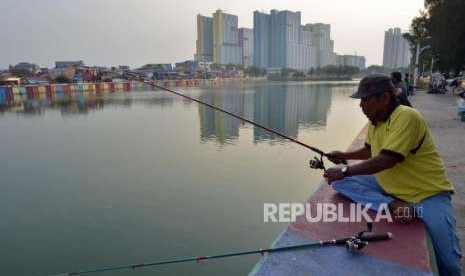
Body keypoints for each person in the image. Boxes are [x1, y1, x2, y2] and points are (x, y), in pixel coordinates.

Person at [324, 74, 462, 276]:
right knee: (340, 184)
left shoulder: (407, 116)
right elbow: (371, 151)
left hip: (427, 194)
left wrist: (345, 170)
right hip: (390, 187)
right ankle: (392, 204)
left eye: (365, 99)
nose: (361, 105)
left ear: (384, 98)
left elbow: (387, 159)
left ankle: (398, 204)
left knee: (449, 264)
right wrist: (345, 155)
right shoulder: (376, 122)